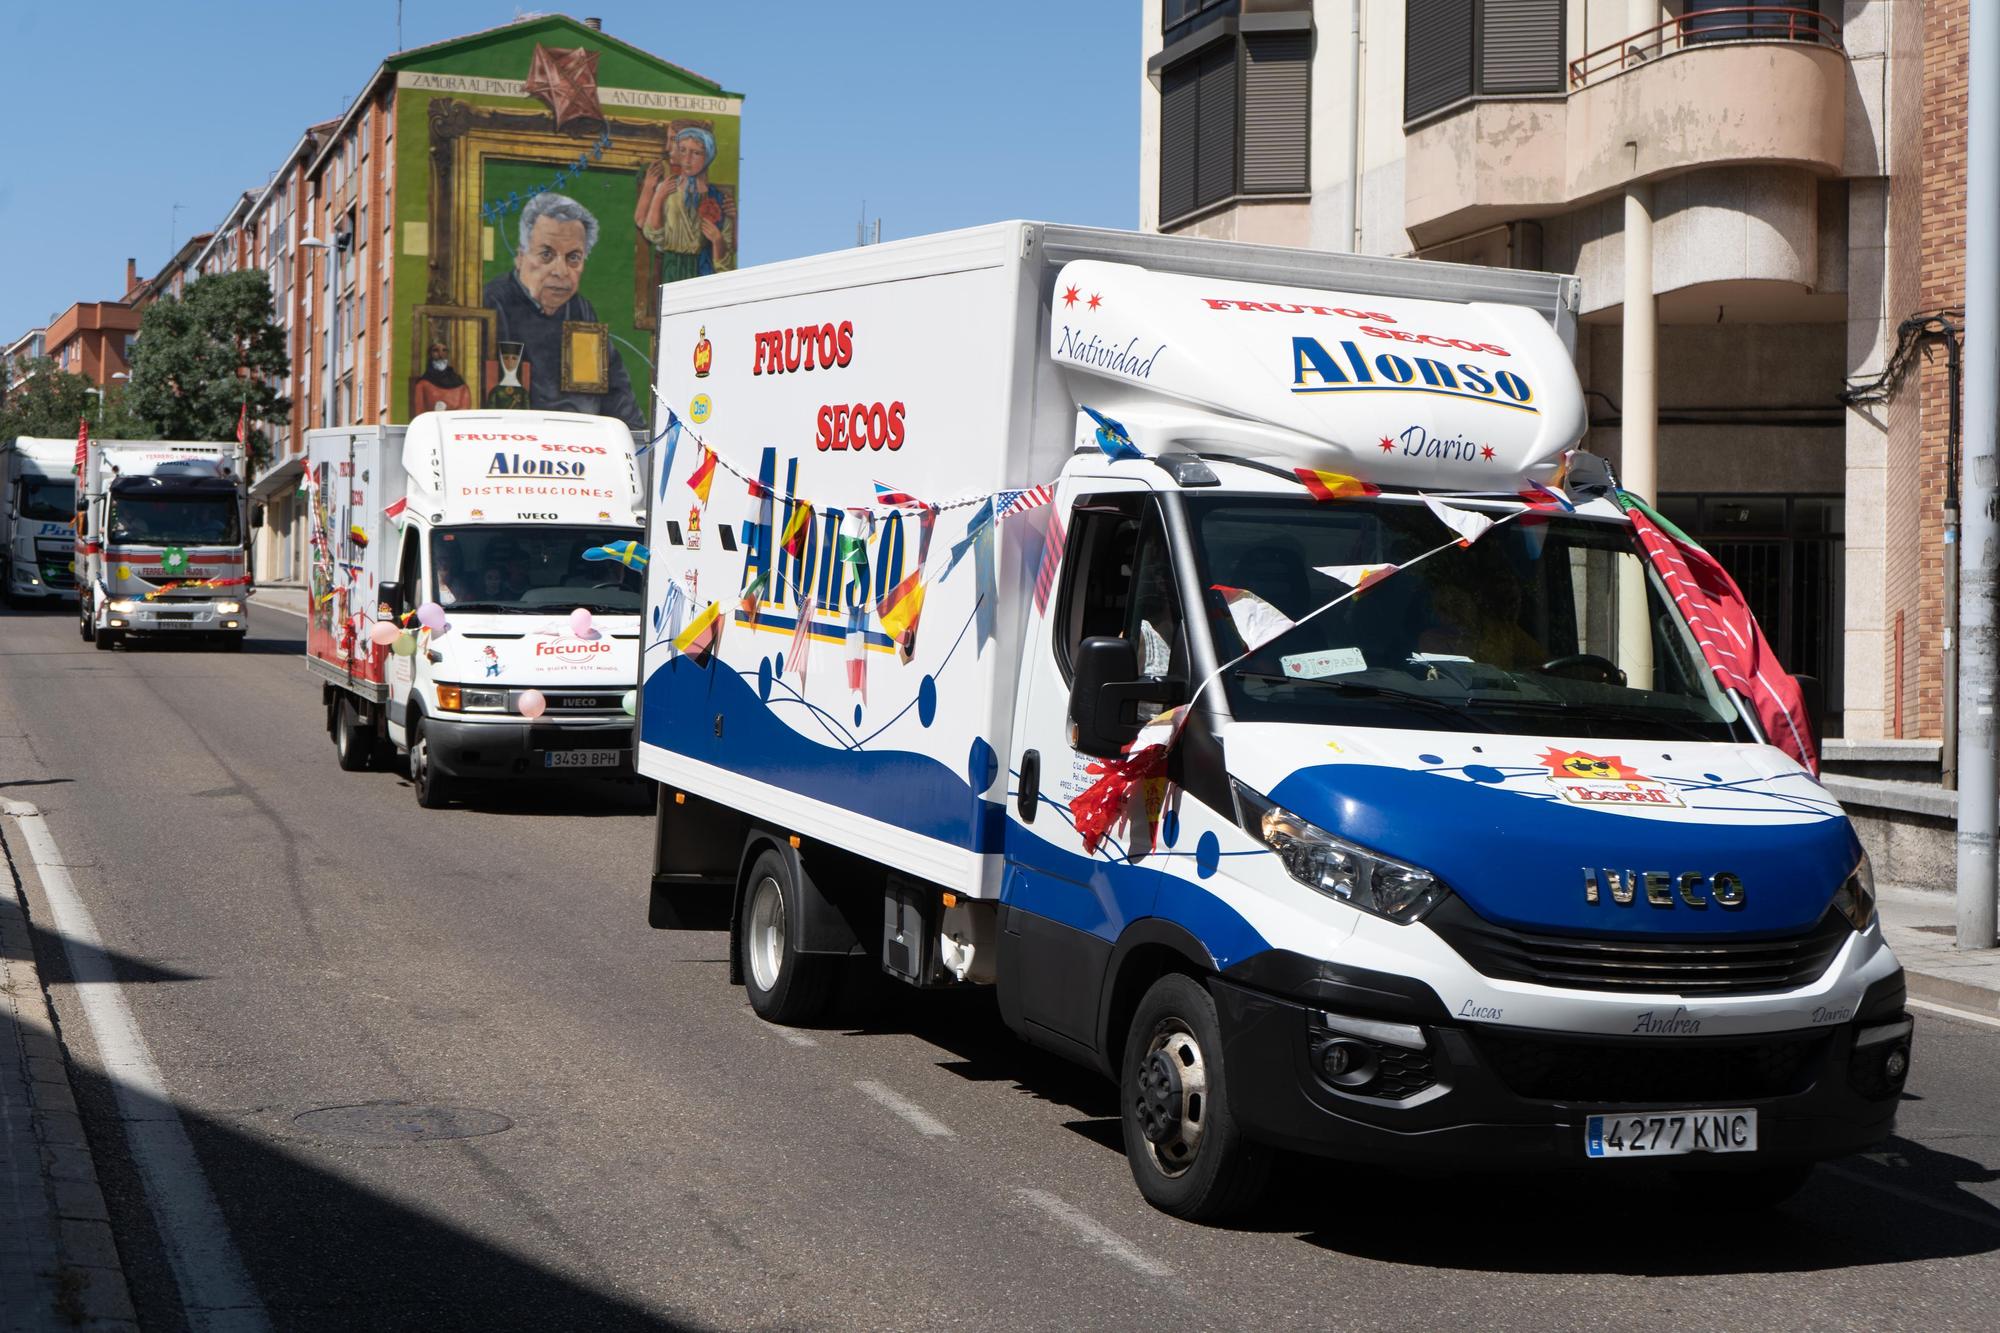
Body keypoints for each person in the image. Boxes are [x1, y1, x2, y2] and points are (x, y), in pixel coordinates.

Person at [481, 193, 643, 428]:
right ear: (520, 257)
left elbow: (618, 398)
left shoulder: (581, 310)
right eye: (546, 254)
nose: (561, 271)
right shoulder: (492, 304)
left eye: (573, 258)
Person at [635, 126, 735, 283]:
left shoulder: (719, 199)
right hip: (670, 268)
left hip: (701, 271)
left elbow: (727, 256)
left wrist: (717, 240)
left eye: (696, 153)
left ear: (708, 156)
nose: (687, 160)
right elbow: (653, 234)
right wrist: (658, 198)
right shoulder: (667, 189)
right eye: (682, 150)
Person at [411, 338, 472, 416]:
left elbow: (464, 414)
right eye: (436, 350)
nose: (441, 355)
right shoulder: (422, 385)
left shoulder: (461, 386)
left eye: (444, 350)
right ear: (430, 355)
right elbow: (419, 415)